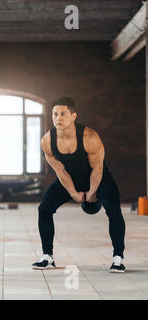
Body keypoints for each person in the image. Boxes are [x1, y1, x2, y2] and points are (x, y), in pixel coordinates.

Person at [32, 97, 126, 273]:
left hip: (99, 179)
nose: (58, 118)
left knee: (113, 210)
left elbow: (97, 168)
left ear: (73, 116)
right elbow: (60, 171)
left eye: (63, 114)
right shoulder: (47, 141)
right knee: (44, 209)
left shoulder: (90, 137)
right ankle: (47, 256)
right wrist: (73, 193)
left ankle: (118, 258)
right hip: (70, 179)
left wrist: (91, 193)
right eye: (55, 114)